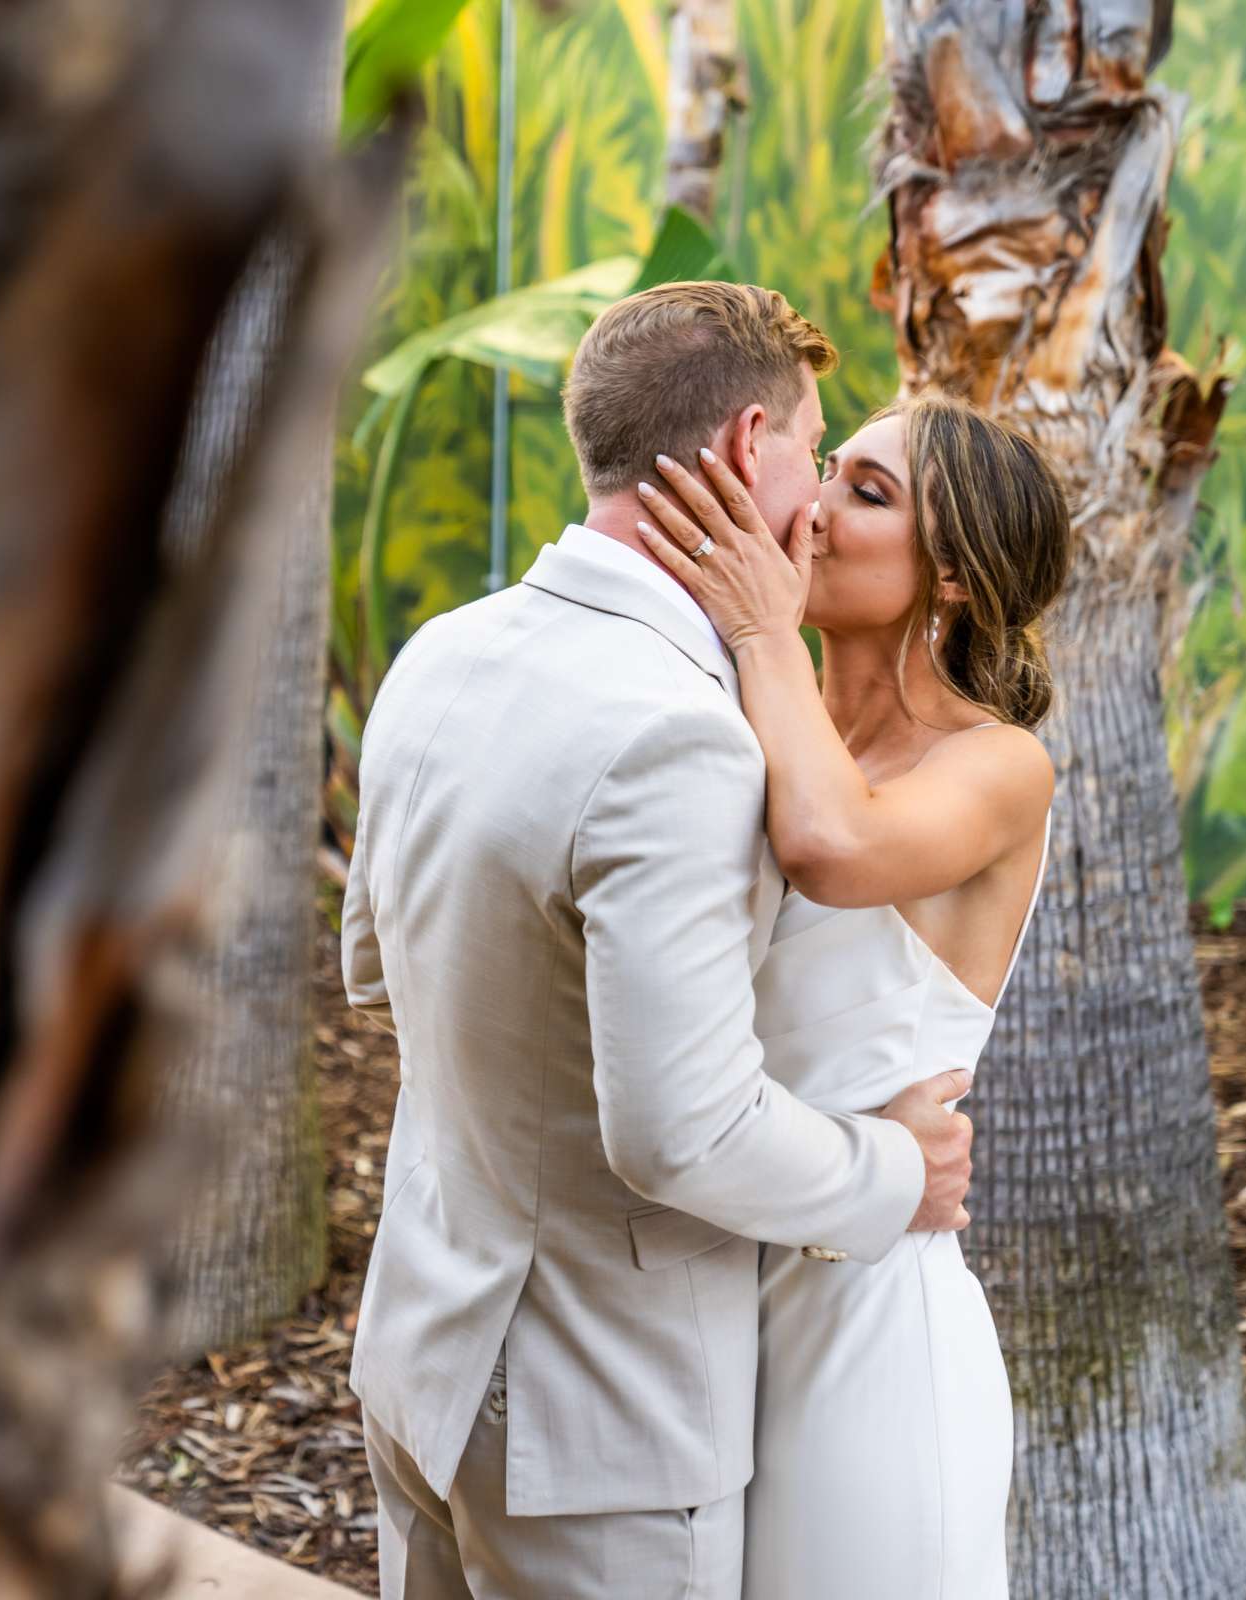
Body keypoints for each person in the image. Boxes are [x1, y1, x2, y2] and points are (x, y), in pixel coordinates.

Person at [340, 281, 976, 1600]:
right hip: (595, 1430)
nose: (820, 493)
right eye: (816, 446)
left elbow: (372, 966)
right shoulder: (677, 735)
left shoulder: (443, 654)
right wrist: (887, 1173)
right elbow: (678, 1132)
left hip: (418, 1353)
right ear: (753, 449)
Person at [631, 391, 1070, 1599]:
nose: (814, 512)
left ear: (960, 580)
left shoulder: (998, 765)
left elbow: (834, 847)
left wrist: (762, 631)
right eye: (831, 470)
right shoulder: (742, 721)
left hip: (871, 1333)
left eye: (868, 496)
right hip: (698, 1311)